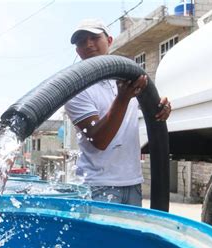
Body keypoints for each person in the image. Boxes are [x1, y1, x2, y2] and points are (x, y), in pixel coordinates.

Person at [64, 18, 171, 207]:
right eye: (81, 41)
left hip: (133, 182)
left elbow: (150, 109)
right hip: (97, 186)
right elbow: (99, 139)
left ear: (110, 41)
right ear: (77, 50)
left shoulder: (126, 78)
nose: (88, 44)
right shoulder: (75, 89)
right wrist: (122, 99)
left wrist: (161, 109)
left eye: (94, 37)